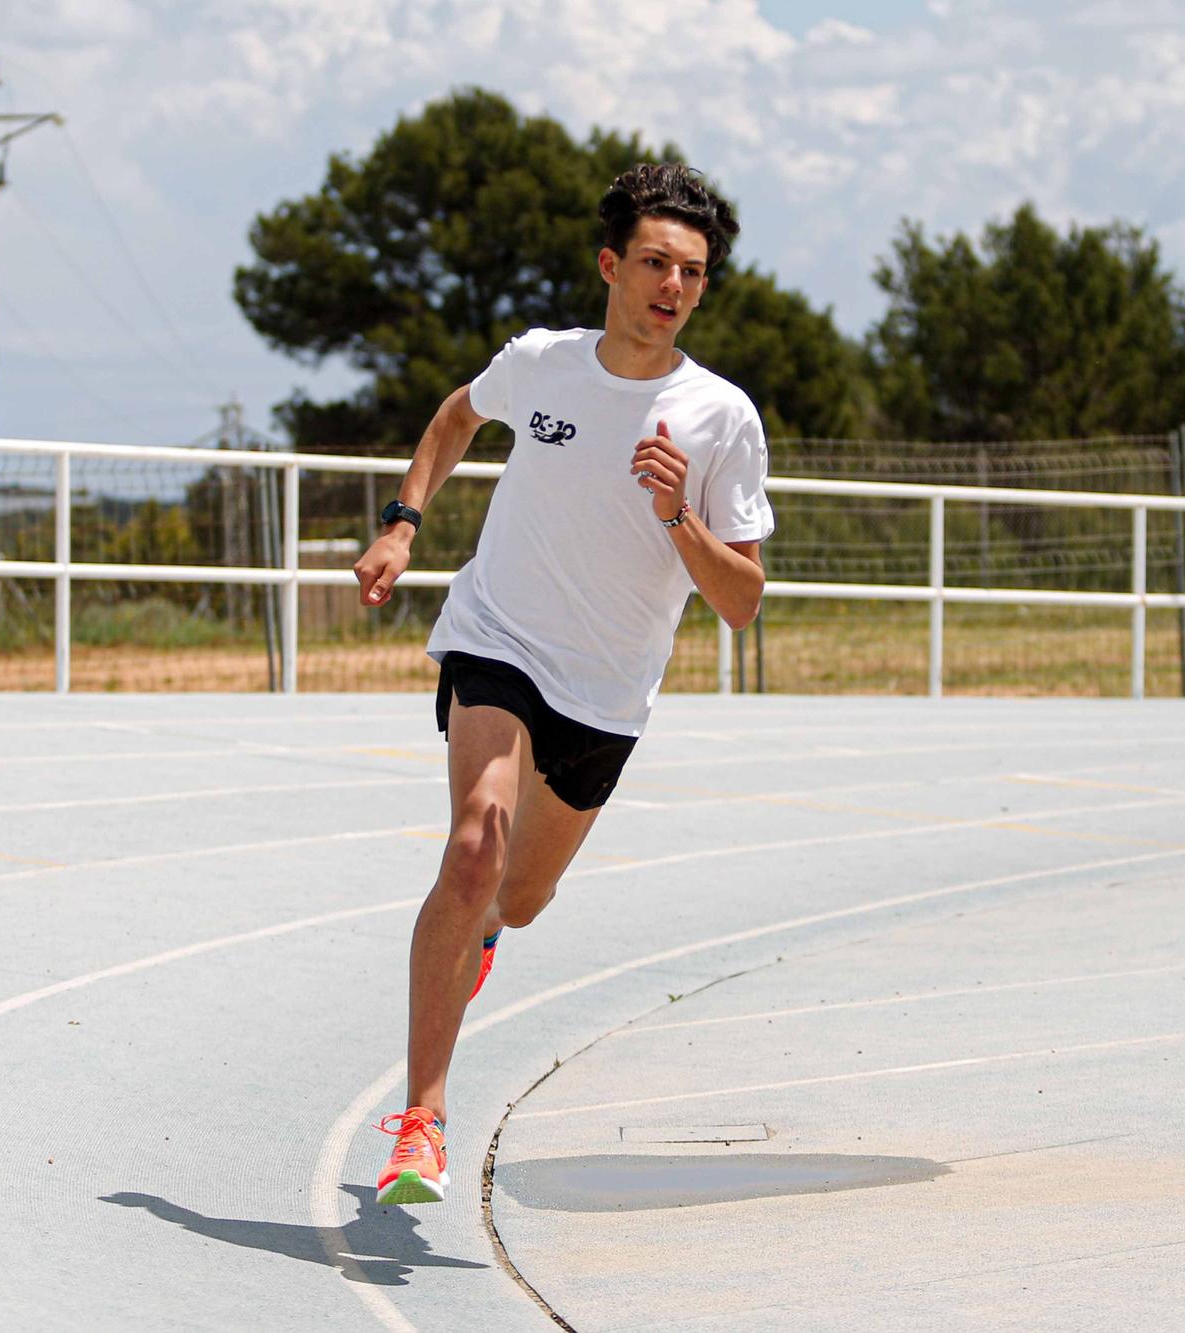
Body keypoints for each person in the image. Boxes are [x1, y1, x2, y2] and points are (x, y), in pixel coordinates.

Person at [352, 163, 773, 1206]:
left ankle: (484, 932)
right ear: (609, 266)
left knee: (520, 897)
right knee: (472, 842)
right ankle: (422, 1120)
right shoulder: (540, 363)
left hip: (606, 692)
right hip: (498, 639)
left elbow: (742, 602)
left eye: (692, 271)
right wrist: (404, 524)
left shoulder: (718, 417)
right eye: (653, 264)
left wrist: (679, 516)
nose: (671, 286)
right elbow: (455, 417)